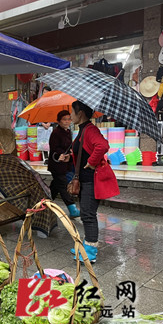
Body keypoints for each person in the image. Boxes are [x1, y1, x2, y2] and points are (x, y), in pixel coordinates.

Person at [60, 101, 117, 263]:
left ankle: (90, 252)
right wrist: (69, 155)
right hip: (85, 179)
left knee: (88, 214)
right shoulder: (83, 130)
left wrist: (92, 162)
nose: (70, 116)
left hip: (92, 180)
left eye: (72, 112)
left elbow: (103, 146)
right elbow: (84, 150)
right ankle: (86, 245)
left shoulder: (90, 129)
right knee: (86, 213)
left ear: (80, 113)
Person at [47, 110, 80, 218]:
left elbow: (68, 147)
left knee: (54, 188)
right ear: (59, 121)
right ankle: (73, 209)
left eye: (68, 119)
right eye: (64, 120)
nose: (67, 122)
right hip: (57, 165)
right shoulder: (56, 133)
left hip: (65, 164)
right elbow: (54, 149)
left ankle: (44, 204)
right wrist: (59, 155)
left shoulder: (68, 132)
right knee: (63, 186)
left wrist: (70, 154)